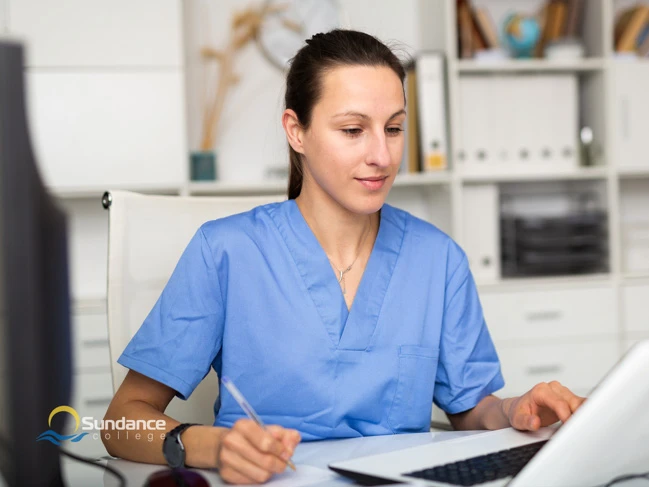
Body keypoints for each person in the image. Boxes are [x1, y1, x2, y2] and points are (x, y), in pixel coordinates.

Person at [102, 29, 586, 484]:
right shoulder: (226, 251)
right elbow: (121, 422)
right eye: (353, 130)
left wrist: (515, 411)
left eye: (393, 129)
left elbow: (470, 409)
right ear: (297, 131)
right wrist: (211, 445)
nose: (382, 155)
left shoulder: (438, 260)